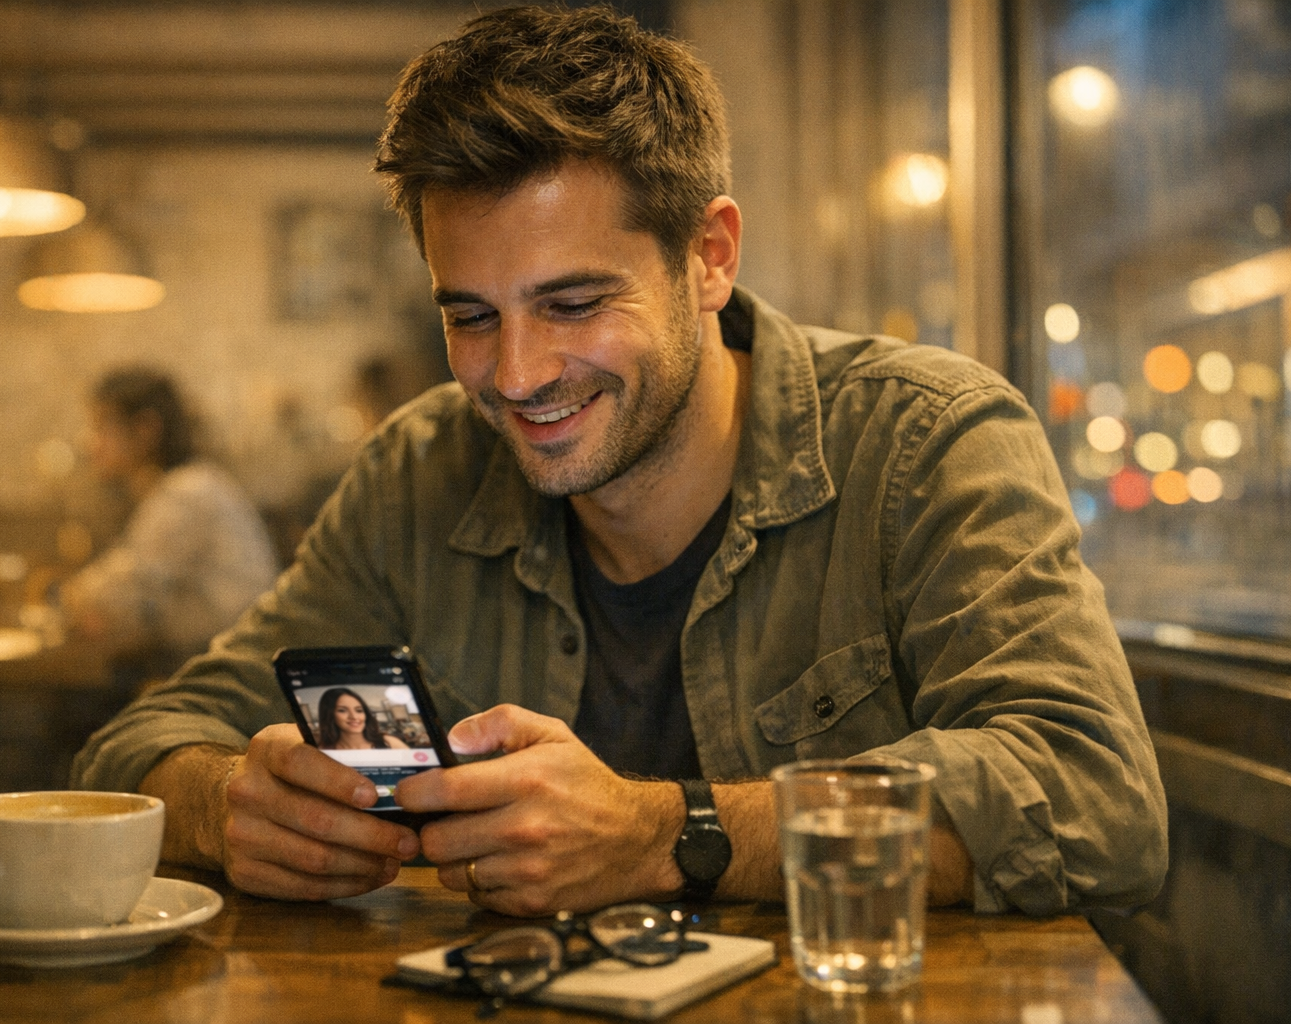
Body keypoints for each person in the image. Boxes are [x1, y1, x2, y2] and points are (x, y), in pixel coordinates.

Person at [72, 6, 1166, 919]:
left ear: (710, 257)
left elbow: (1096, 800)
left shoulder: (926, 440)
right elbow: (140, 743)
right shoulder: (417, 471)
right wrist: (229, 803)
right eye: (470, 315)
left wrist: (672, 833)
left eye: (574, 303)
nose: (514, 374)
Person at [60, 366, 280, 664]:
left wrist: (69, 597)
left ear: (146, 429)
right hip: (219, 661)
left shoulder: (186, 493)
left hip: (233, 671)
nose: (91, 443)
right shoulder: (188, 484)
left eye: (102, 427)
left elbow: (130, 589)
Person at [318, 688, 410, 751]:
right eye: (342, 710)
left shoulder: (389, 743)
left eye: (359, 710)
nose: (354, 717)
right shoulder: (323, 752)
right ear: (329, 715)